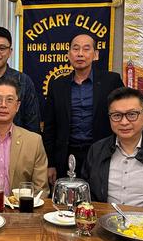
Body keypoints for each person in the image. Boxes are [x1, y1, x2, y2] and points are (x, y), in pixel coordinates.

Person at [42, 33, 123, 184]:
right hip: (66, 156)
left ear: (95, 54)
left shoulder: (111, 81)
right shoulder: (57, 85)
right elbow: (50, 128)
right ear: (68, 54)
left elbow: (122, 117)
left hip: (102, 154)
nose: (80, 54)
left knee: (98, 196)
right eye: (75, 49)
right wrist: (50, 163)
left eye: (86, 49)